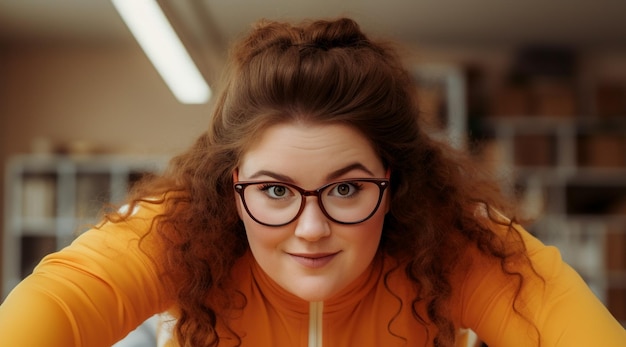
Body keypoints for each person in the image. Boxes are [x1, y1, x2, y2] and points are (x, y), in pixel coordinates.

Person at [0, 17, 624, 347]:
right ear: (233, 184)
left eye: (347, 189)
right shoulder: (179, 227)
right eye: (275, 191)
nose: (311, 228)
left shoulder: (461, 243)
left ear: (393, 181)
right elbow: (58, 304)